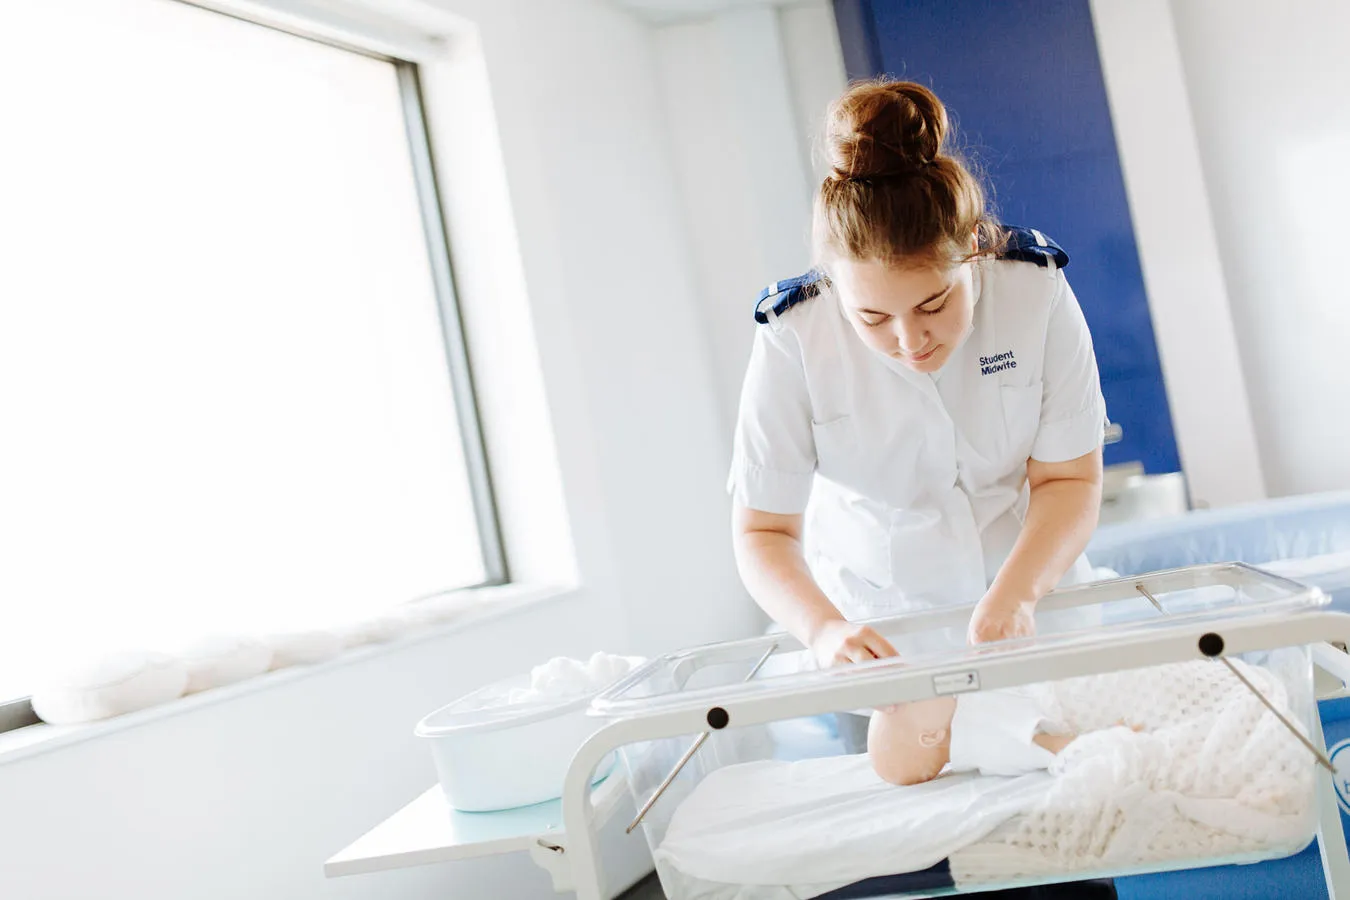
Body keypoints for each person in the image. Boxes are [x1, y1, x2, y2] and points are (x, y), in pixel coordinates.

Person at [728, 79, 1114, 899]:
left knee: (1075, 812)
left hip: (1028, 576)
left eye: (934, 303)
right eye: (874, 320)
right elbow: (762, 534)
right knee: (913, 793)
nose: (910, 340)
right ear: (835, 289)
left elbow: (1070, 478)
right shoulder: (796, 337)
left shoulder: (1034, 290)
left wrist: (1018, 593)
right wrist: (826, 632)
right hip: (880, 610)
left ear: (973, 249)